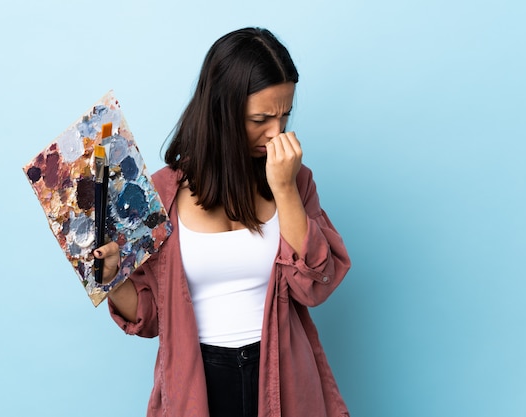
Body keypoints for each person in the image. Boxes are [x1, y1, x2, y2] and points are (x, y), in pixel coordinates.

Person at [94, 27, 352, 417]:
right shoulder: (163, 194)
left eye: (284, 115)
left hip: (283, 380)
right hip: (199, 384)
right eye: (261, 119)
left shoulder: (296, 180)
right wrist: (113, 278)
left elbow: (316, 284)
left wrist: (284, 190)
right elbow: (151, 318)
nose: (276, 132)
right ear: (222, 112)